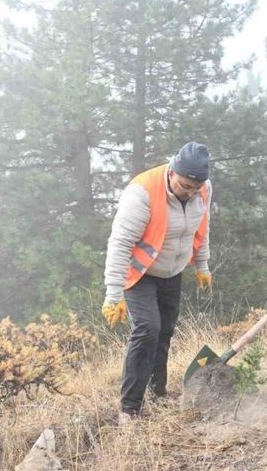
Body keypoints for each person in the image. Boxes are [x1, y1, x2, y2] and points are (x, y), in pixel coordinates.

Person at [102, 142, 213, 421]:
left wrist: (202, 265)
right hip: (140, 275)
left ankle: (157, 392)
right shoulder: (143, 193)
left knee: (164, 331)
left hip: (172, 271)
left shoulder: (203, 190)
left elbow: (202, 227)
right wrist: (113, 294)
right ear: (172, 172)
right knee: (148, 330)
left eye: (194, 189)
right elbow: (120, 243)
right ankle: (129, 408)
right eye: (184, 186)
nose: (189, 192)